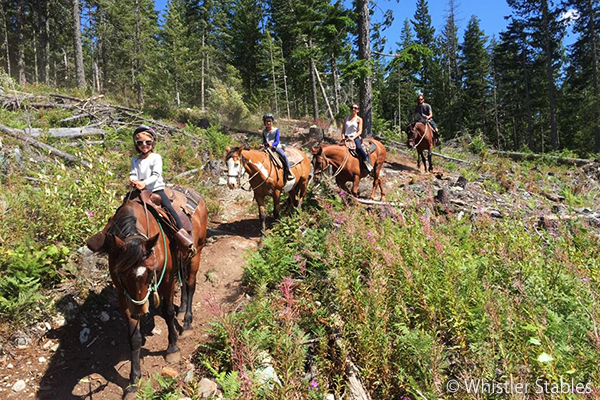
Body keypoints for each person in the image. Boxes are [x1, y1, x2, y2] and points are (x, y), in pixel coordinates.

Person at [129, 125, 193, 248]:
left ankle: (182, 234)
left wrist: (144, 183)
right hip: (139, 190)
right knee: (124, 208)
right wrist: (133, 180)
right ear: (136, 144)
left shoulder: (155, 157)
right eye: (140, 142)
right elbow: (133, 173)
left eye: (148, 142)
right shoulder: (135, 160)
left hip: (155, 190)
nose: (144, 145)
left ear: (153, 143)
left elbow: (156, 175)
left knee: (169, 209)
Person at [341, 103, 372, 172]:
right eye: (352, 108)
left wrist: (352, 138)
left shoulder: (359, 119)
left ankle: (366, 161)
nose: (353, 109)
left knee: (359, 148)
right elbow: (343, 130)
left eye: (355, 108)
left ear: (358, 110)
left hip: (354, 137)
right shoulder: (346, 119)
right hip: (346, 137)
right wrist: (343, 137)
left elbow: (360, 131)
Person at [262, 113, 292, 180]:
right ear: (265, 122)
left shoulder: (276, 130)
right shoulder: (264, 132)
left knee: (283, 155)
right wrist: (263, 144)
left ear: (272, 122)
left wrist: (272, 145)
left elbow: (277, 141)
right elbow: (264, 141)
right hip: (267, 148)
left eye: (270, 121)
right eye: (267, 121)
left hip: (276, 147)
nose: (268, 123)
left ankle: (289, 170)